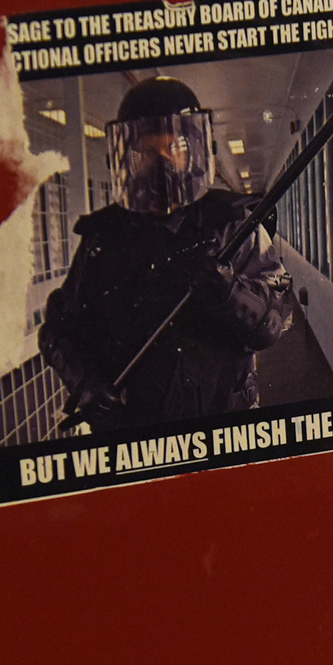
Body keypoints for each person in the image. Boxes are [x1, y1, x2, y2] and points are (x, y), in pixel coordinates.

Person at [39, 76, 294, 431]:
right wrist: (86, 385)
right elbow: (58, 329)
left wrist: (230, 294)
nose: (161, 165)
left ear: (193, 151)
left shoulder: (235, 225)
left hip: (223, 428)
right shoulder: (102, 239)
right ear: (128, 157)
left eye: (174, 148)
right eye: (146, 152)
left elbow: (276, 321)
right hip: (135, 436)